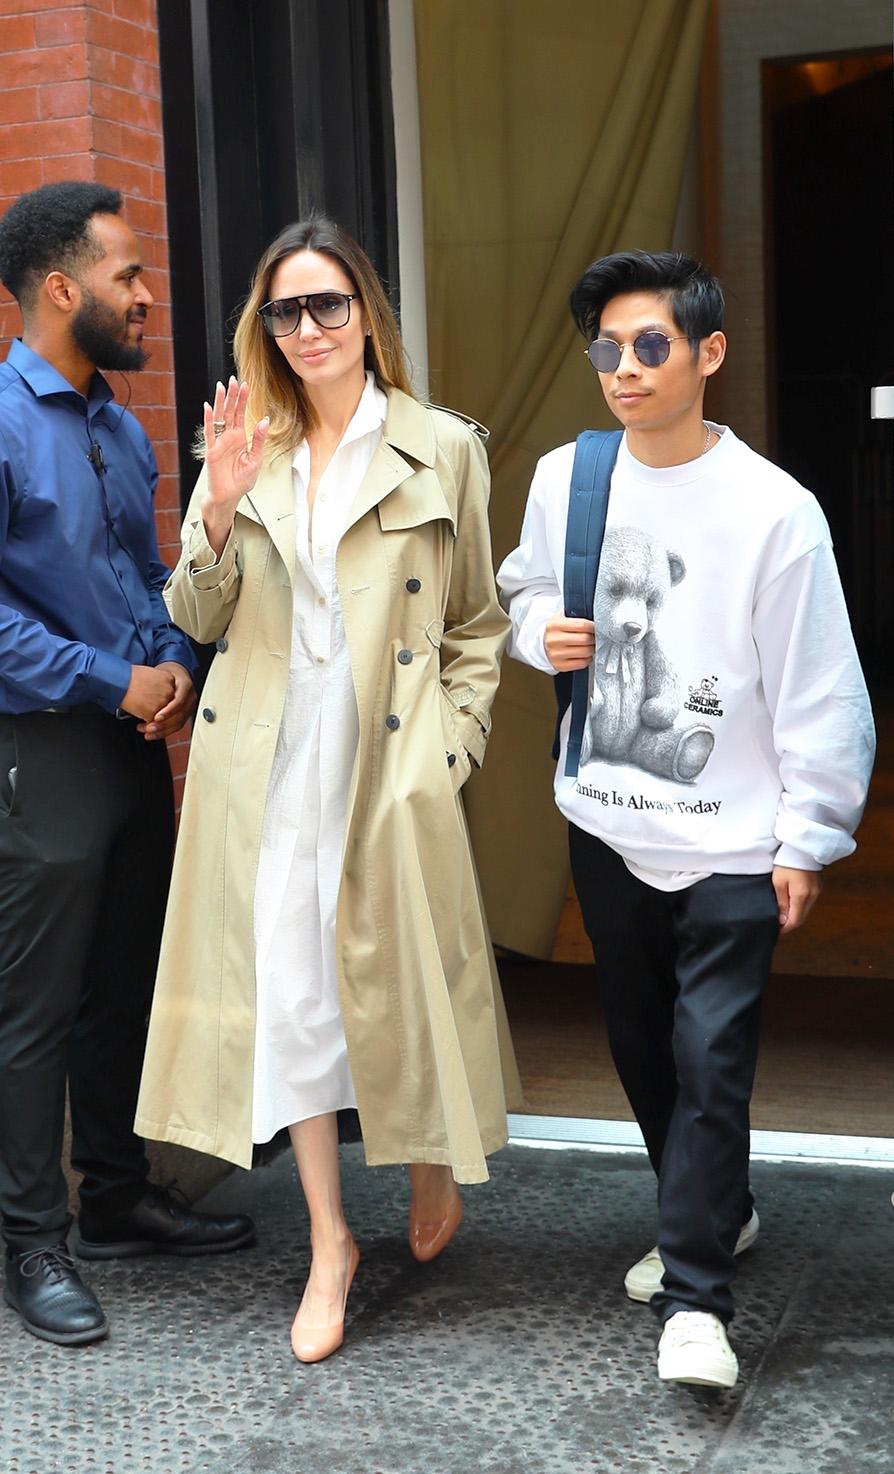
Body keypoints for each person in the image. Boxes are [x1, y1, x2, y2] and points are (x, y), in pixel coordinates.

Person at [135, 215, 521, 1363]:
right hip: (269, 768)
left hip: (388, 761)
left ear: (367, 314)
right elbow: (194, 618)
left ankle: (425, 1159)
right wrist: (214, 504)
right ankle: (329, 1243)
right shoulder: (252, 447)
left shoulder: (442, 447)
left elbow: (476, 626)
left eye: (328, 305)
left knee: (395, 977)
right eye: (285, 311)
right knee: (297, 1000)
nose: (307, 329)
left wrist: (444, 755)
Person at [497, 250, 874, 1389]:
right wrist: (536, 635)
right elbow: (521, 587)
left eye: (648, 344)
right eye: (605, 347)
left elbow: (817, 682)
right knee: (638, 1046)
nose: (622, 367)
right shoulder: (573, 475)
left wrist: (808, 833)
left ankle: (695, 1298)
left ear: (707, 353)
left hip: (731, 838)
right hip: (610, 821)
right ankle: (718, 1208)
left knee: (711, 1058)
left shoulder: (775, 510)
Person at [0, 181, 255, 1350]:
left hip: (133, 747)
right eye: (128, 277)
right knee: (35, 1011)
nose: (149, 295)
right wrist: (113, 680)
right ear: (61, 290)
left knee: (123, 987)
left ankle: (113, 1200)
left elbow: (138, 573)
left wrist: (171, 664)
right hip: (40, 749)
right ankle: (29, 1241)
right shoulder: (2, 419)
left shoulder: (120, 425)